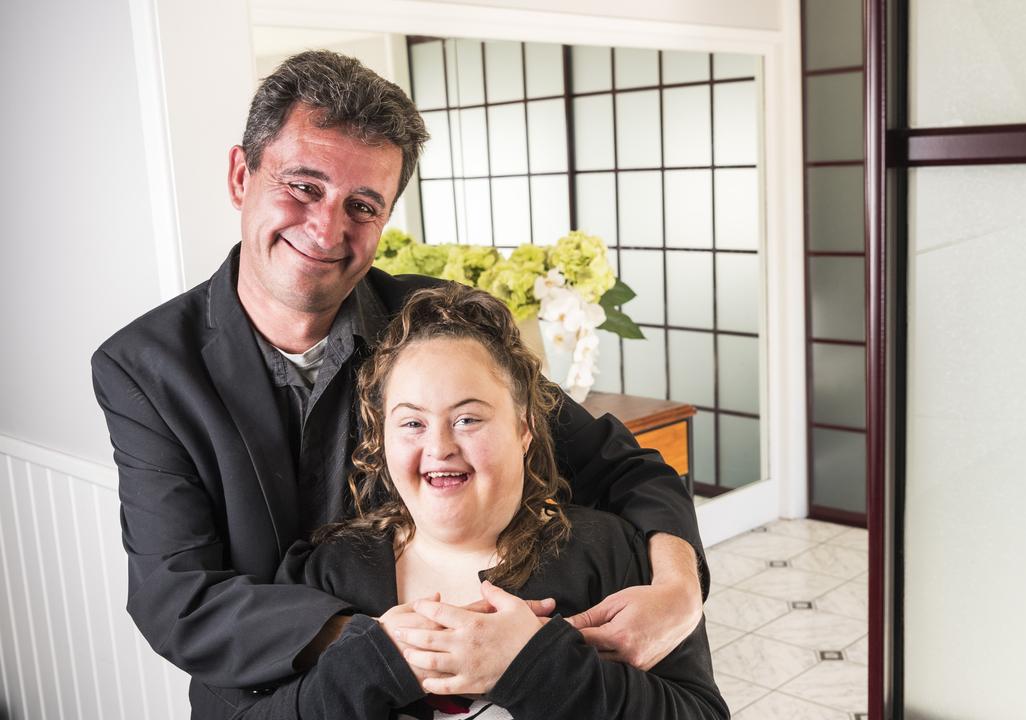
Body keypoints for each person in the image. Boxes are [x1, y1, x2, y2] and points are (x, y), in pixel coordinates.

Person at [91, 50, 706, 718]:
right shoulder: (145, 367)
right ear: (243, 175)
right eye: (303, 186)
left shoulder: (431, 326)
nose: (327, 229)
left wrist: (678, 589)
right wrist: (395, 648)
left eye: (362, 204)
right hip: (270, 694)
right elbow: (176, 595)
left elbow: (625, 470)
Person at [231, 284, 728, 719]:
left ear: (525, 429)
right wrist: (373, 662)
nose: (440, 446)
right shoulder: (326, 570)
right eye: (411, 423)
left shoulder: (609, 553)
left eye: (468, 419)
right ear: (381, 440)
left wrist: (534, 665)